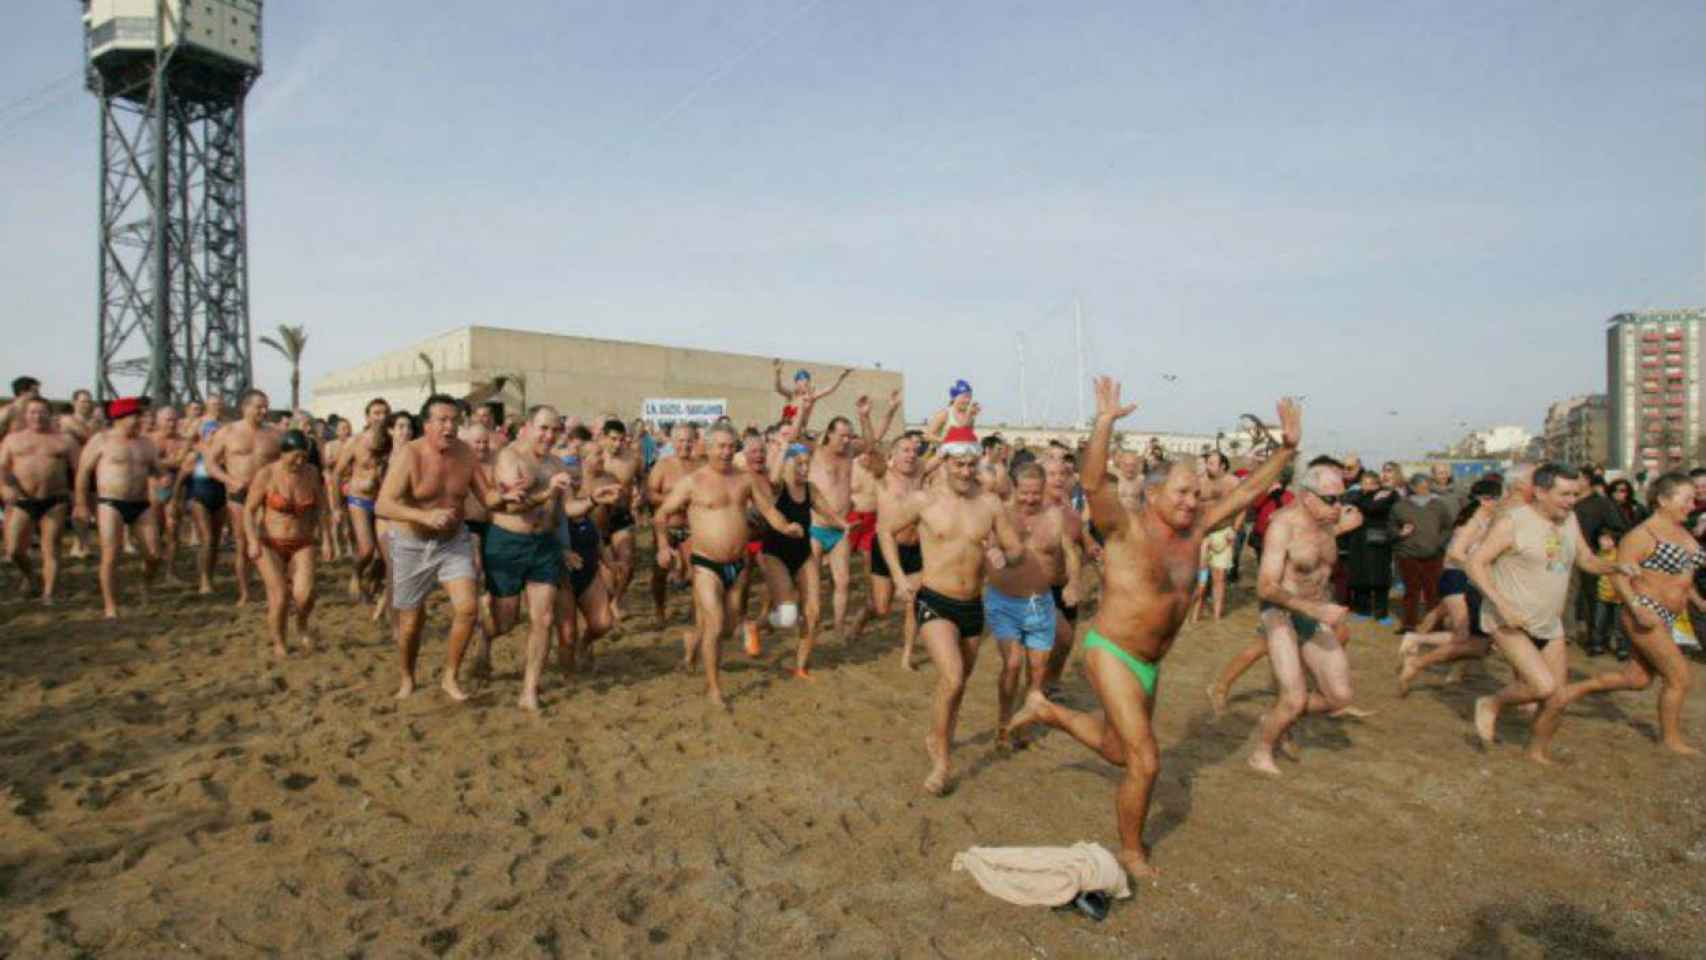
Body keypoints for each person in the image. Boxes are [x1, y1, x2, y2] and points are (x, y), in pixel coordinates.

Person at [1007, 377, 1301, 878]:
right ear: (1156, 491)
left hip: (1149, 664)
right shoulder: (1127, 528)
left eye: (1196, 493)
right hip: (1112, 652)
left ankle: (1046, 709)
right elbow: (1095, 483)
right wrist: (1104, 424)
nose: (1191, 502)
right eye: (1181, 493)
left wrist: (1287, 451)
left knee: (1119, 751)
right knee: (1146, 762)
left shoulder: (1200, 527)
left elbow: (1252, 488)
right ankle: (1132, 851)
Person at [879, 427, 1026, 796]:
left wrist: (1002, 556)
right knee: (954, 677)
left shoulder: (990, 503)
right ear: (944, 461)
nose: (965, 471)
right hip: (934, 599)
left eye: (971, 464)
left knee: (955, 688)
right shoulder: (923, 501)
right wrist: (899, 578)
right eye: (958, 464)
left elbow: (1016, 549)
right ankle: (943, 763)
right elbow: (884, 531)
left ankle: (937, 735)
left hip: (972, 606)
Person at [1529, 473, 1701, 761]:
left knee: (1636, 679)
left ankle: (1570, 691)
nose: (1692, 504)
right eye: (1686, 499)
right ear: (1662, 499)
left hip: (1669, 615)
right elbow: (1621, 574)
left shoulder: (1683, 532)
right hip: (1646, 613)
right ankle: (1670, 739)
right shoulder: (1644, 534)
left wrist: (1699, 602)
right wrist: (1636, 607)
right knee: (1680, 678)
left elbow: (1684, 578)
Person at [1466, 464, 1634, 756]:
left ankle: (1537, 752)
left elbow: (1586, 560)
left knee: (1557, 697)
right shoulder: (1512, 522)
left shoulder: (1570, 520)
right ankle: (1491, 703)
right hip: (1510, 620)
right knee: (1542, 687)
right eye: (1564, 494)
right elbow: (1475, 563)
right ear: (1541, 492)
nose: (1571, 501)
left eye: (1575, 494)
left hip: (1549, 623)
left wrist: (1615, 565)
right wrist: (1502, 604)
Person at [654, 422, 804, 709]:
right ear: (708, 448)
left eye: (729, 446)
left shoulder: (745, 479)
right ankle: (714, 688)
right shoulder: (693, 482)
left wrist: (785, 528)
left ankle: (693, 640)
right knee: (716, 623)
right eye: (719, 446)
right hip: (705, 564)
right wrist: (663, 546)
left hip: (738, 563)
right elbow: (661, 514)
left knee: (727, 628)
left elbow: (768, 509)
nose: (725, 452)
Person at [375, 395, 506, 703]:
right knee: (409, 627)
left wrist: (509, 494)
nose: (450, 426)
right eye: (442, 420)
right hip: (411, 543)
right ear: (427, 424)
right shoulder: (410, 454)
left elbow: (487, 498)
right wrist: (423, 515)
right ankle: (407, 676)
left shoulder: (466, 454)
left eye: (454, 420)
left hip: (453, 541)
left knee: (468, 608)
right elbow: (383, 504)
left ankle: (450, 675)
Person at [1248, 464, 1369, 775]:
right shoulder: (1283, 526)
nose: (1338, 506)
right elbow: (1265, 586)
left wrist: (1349, 521)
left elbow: (1327, 539)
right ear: (1306, 497)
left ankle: (1279, 717)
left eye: (1342, 498)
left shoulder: (1328, 522)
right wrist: (1315, 610)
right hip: (1281, 613)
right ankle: (1261, 750)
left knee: (1340, 696)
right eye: (1330, 499)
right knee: (1293, 696)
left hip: (1315, 614)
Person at [483, 406, 606, 708]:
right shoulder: (510, 458)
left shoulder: (554, 464)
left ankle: (529, 690)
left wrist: (592, 500)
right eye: (543, 428)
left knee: (544, 618)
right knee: (505, 622)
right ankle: (484, 637)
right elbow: (512, 507)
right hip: (508, 542)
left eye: (555, 430)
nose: (549, 436)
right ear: (528, 426)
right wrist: (545, 493)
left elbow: (567, 509)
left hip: (544, 546)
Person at [988, 462, 1082, 747]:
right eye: (1024, 493)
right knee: (1013, 663)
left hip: (1039, 600)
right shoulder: (1001, 512)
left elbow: (1070, 552)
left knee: (1038, 668)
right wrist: (993, 554)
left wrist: (1074, 582)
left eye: (1035, 494)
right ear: (1014, 489)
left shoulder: (1054, 516)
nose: (1030, 500)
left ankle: (1025, 719)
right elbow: (987, 543)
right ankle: (1005, 719)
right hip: (1005, 599)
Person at [1396, 479, 1505, 695]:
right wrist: (1476, 567)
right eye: (1497, 499)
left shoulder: (1486, 520)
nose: (1500, 503)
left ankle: (1453, 671)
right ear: (1486, 500)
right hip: (1456, 577)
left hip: (1464, 579)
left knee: (1471, 637)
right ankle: (1418, 641)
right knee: (1464, 636)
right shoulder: (1473, 522)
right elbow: (1455, 552)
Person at [74, 398, 164, 619]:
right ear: (121, 419)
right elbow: (83, 472)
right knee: (111, 554)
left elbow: (157, 470)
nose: (140, 421)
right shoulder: (101, 440)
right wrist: (81, 504)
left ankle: (144, 584)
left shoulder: (146, 443)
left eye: (140, 416)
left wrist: (163, 480)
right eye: (135, 416)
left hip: (140, 503)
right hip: (110, 502)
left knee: (154, 554)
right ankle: (111, 606)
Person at [847, 429, 928, 667]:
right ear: (893, 454)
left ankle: (907, 656)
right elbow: (870, 449)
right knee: (882, 608)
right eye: (905, 450)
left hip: (915, 548)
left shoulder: (922, 471)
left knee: (913, 602)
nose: (911, 454)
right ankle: (864, 616)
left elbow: (952, 455)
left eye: (914, 450)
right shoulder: (884, 474)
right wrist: (865, 417)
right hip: (886, 546)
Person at [242, 430, 326, 656]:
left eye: (303, 457)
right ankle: (280, 643)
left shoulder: (311, 473)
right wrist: (251, 541)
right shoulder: (267, 474)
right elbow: (248, 511)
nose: (299, 462)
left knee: (305, 595)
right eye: (295, 456)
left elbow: (321, 509)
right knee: (279, 595)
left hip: (302, 541)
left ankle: (301, 624)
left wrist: (327, 541)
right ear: (283, 452)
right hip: (270, 542)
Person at [807, 401, 880, 638]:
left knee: (843, 581)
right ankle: (813, 621)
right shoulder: (816, 452)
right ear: (829, 434)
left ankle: (838, 626)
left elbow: (870, 443)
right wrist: (806, 406)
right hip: (817, 527)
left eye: (849, 436)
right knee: (813, 582)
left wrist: (864, 416)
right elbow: (796, 436)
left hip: (841, 530)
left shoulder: (850, 453)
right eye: (842, 436)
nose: (847, 441)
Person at [204, 390, 281, 605]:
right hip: (239, 493)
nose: (263, 411)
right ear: (245, 407)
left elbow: (285, 464)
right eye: (259, 407)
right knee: (242, 544)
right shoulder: (227, 432)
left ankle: (272, 587)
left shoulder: (274, 434)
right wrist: (229, 480)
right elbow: (210, 464)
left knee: (270, 541)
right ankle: (245, 591)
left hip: (266, 493)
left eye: (266, 406)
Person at [0, 396, 79, 603]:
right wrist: (5, 486)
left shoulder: (64, 440)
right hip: (22, 498)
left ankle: (49, 592)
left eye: (42, 412)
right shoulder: (13, 439)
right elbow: (2, 467)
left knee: (51, 546)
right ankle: (31, 577)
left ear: (50, 414)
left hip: (55, 499)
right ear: (25, 415)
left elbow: (79, 471)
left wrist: (79, 500)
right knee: (14, 549)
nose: (38, 416)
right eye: (33, 412)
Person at [758, 441, 823, 678]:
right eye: (799, 465)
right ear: (787, 465)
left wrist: (844, 525)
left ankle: (801, 667)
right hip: (776, 553)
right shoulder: (778, 487)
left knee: (814, 612)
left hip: (803, 553)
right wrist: (785, 444)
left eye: (807, 464)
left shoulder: (811, 489)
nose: (805, 469)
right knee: (786, 618)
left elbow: (828, 510)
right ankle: (757, 625)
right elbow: (773, 477)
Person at [330, 398, 393, 602]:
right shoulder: (355, 442)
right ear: (367, 417)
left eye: (384, 413)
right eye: (376, 413)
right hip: (359, 500)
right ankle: (356, 575)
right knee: (367, 550)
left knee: (384, 556)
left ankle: (371, 586)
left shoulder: (390, 442)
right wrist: (336, 507)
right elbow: (336, 474)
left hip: (382, 502)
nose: (381, 417)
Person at [646, 422, 700, 628]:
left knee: (698, 571)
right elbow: (650, 494)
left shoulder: (700, 465)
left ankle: (695, 611)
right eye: (680, 440)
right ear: (673, 442)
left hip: (692, 527)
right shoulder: (663, 465)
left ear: (694, 441)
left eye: (689, 440)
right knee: (660, 571)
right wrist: (675, 500)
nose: (685, 445)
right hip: (667, 525)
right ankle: (660, 610)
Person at [1390, 473, 1453, 631]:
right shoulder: (1400, 506)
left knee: (1433, 592)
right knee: (1411, 592)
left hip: (1433, 555)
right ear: (1412, 487)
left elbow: (1448, 527)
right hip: (1408, 555)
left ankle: (1435, 624)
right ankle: (1409, 624)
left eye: (1427, 486)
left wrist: (1439, 544)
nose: (1424, 490)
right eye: (1420, 486)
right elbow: (1390, 528)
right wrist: (1400, 533)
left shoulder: (1439, 505)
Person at [596, 418, 643, 620]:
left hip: (620, 514)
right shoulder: (593, 457)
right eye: (613, 439)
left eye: (621, 440)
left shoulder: (632, 459)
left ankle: (616, 601)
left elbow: (643, 478)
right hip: (596, 519)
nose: (617, 444)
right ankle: (604, 603)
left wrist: (640, 495)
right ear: (604, 437)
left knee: (628, 562)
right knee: (606, 567)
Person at [1346, 466, 1400, 621]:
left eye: (1371, 483)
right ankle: (1362, 610)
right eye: (1364, 483)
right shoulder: (1355, 495)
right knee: (1360, 576)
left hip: (1379, 540)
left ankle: (1381, 612)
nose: (1367, 486)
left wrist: (1363, 502)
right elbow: (1347, 499)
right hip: (1358, 540)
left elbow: (1375, 508)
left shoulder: (1389, 494)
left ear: (1378, 484)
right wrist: (1362, 499)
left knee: (1380, 577)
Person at [148, 405, 190, 582]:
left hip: (176, 489)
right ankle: (150, 568)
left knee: (173, 530)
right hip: (152, 489)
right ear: (158, 421)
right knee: (153, 531)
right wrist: (172, 462)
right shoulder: (150, 440)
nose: (172, 423)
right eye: (168, 420)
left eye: (174, 419)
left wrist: (163, 463)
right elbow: (147, 463)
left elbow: (184, 463)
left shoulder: (183, 441)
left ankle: (171, 571)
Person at [772, 360, 852, 423]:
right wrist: (777, 373)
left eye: (807, 384)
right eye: (803, 383)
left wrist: (841, 378)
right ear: (796, 384)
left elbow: (829, 389)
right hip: (784, 429)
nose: (805, 386)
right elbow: (778, 388)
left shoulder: (811, 397)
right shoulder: (791, 395)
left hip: (798, 432)